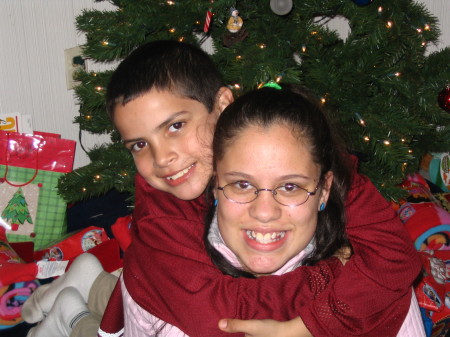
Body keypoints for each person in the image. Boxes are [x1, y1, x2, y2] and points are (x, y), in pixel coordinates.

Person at [22, 40, 422, 337]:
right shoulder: (163, 210)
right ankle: (71, 316)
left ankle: (90, 279)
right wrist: (334, 275)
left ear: (223, 104)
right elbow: (218, 321)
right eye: (140, 145)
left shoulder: (289, 151)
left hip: (171, 287)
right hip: (160, 305)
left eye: (175, 126)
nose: (163, 159)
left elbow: (396, 257)